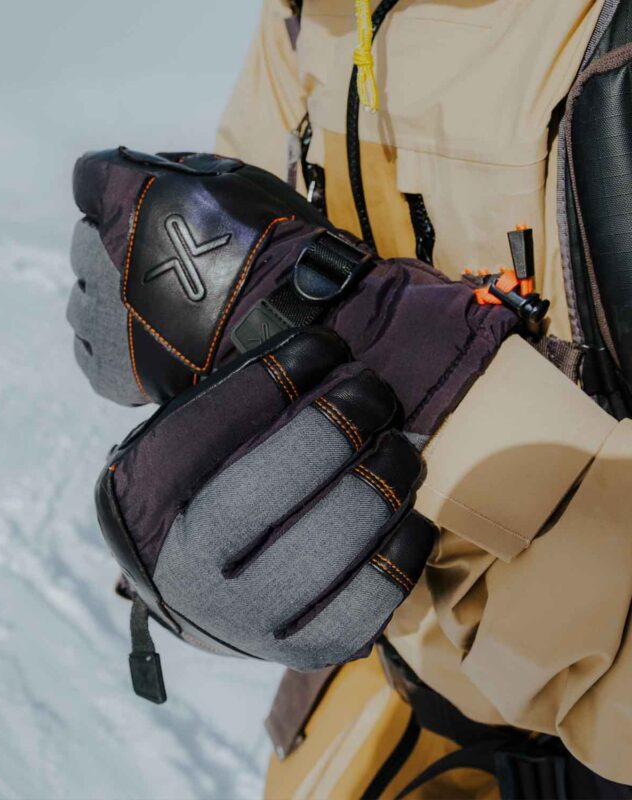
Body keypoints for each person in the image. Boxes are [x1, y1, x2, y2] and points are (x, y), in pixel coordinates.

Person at [66, 1, 632, 796]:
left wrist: (425, 383)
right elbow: (245, 261)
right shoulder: (315, 12)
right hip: (388, 692)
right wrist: (180, 337)